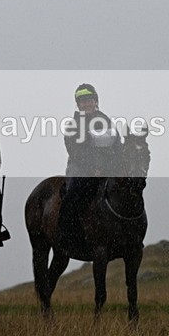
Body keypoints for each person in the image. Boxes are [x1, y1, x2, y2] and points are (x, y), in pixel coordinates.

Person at [57, 83, 121, 248]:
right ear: (78, 105)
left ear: (95, 101)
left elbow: (117, 146)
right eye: (83, 101)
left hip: (105, 169)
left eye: (89, 100)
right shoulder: (73, 125)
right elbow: (74, 151)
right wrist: (92, 168)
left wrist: (107, 167)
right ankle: (65, 234)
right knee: (73, 193)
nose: (86, 104)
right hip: (80, 168)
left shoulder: (106, 121)